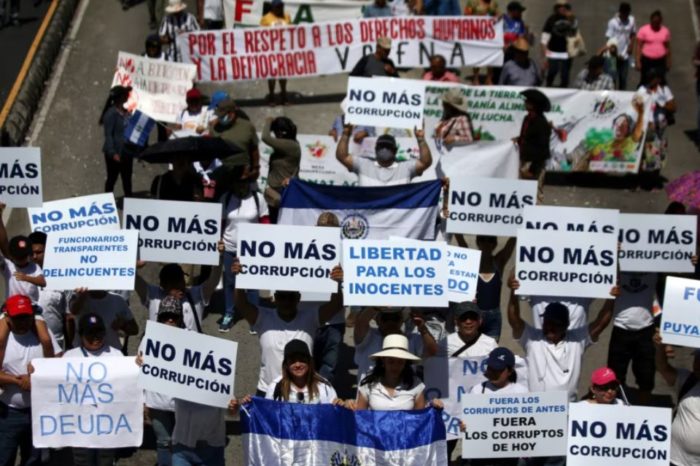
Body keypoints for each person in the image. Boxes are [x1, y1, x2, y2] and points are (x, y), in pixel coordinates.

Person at [232, 262, 344, 396]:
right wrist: (239, 278)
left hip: (302, 391)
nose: (286, 302)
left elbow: (335, 305)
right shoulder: (262, 317)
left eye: (291, 297)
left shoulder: (310, 317)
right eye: (282, 297)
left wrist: (336, 283)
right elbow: (241, 304)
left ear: (298, 298)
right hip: (267, 389)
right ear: (275, 298)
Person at [507, 275, 615, 401]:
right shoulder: (532, 339)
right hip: (536, 409)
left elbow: (601, 323)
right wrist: (513, 292)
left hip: (568, 408)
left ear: (566, 325)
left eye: (555, 324)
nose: (549, 328)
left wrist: (612, 297)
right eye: (547, 323)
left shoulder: (577, 340)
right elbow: (514, 320)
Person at [0, 295, 61, 466]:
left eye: (26, 317)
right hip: (8, 413)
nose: (22, 322)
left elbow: (59, 362)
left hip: (38, 412)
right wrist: (17, 381)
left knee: (33, 459)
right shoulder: (2, 335)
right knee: (3, 458)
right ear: (8, 317)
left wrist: (37, 377)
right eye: (17, 318)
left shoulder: (42, 334)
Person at [63, 313, 121, 466]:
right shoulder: (69, 357)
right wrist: (36, 371)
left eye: (99, 332)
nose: (96, 337)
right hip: (80, 428)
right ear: (81, 334)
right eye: (90, 333)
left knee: (106, 462)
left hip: (107, 427)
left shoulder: (116, 355)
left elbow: (127, 387)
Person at [218, 165, 270, 332]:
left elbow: (265, 222)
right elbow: (220, 223)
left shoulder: (258, 199)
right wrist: (218, 241)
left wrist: (266, 244)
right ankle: (229, 313)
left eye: (245, 182)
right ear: (233, 183)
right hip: (229, 247)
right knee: (229, 282)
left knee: (252, 284)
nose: (242, 185)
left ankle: (254, 316)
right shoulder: (225, 199)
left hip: (251, 249)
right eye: (239, 182)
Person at [137, 296, 185, 466]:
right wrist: (143, 402)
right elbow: (141, 372)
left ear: (180, 318)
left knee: (183, 444)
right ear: (159, 318)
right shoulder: (148, 339)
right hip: (157, 403)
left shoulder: (192, 339)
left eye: (174, 316)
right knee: (164, 443)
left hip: (182, 404)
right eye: (166, 316)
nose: (170, 319)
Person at [606, 272, 658, 405]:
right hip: (621, 327)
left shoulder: (655, 266)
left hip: (646, 328)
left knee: (646, 378)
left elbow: (679, 261)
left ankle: (642, 414)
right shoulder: (616, 267)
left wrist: (692, 259)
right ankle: (615, 411)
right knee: (614, 378)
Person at [354, 307, 438, 383]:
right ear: (378, 320)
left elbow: (432, 351)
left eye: (395, 318)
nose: (390, 322)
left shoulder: (412, 339)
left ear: (402, 320)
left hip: (404, 394)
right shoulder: (369, 337)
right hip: (370, 393)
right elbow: (361, 322)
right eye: (385, 318)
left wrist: (422, 328)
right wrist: (376, 306)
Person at [455, 236, 516, 340]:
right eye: (483, 240)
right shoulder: (471, 262)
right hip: (473, 316)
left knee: (490, 352)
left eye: (490, 240)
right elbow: (462, 243)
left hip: (493, 318)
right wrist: (454, 225)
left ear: (495, 244)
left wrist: (521, 224)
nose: (487, 243)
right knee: (471, 350)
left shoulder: (498, 262)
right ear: (478, 242)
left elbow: (511, 243)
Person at [136, 261, 221, 333]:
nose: (181, 288)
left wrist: (219, 257)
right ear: (163, 286)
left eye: (182, 282)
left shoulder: (195, 295)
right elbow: (134, 279)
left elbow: (213, 280)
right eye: (175, 286)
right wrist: (132, 264)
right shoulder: (153, 296)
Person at [336, 125, 431, 186]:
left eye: (388, 147)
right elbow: (342, 156)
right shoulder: (364, 164)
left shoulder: (405, 167)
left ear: (395, 150)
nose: (384, 149)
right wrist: (345, 134)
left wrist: (421, 139)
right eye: (381, 146)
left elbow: (425, 162)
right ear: (375, 149)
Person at [654, 339, 700, 466]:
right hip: (675, 459)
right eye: (696, 359)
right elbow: (662, 368)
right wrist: (660, 348)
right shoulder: (688, 380)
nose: (696, 364)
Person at [351, 334, 427, 411]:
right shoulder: (369, 384)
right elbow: (360, 416)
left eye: (400, 362)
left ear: (405, 363)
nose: (395, 366)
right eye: (391, 361)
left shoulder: (416, 384)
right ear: (383, 361)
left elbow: (420, 418)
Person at [312, 212, 346, 384]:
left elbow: (355, 289)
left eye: (330, 229)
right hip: (309, 318)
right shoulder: (305, 248)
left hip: (335, 322)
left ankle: (323, 402)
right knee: (306, 364)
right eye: (322, 229)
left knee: (328, 368)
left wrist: (343, 279)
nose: (325, 233)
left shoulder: (346, 252)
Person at [27, 232, 67, 349]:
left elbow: (68, 316)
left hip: (56, 343)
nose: (34, 257)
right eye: (31, 253)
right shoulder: (19, 275)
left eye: (39, 252)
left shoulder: (63, 276)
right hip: (28, 343)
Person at [266, 339, 340, 404]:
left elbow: (334, 414)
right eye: (292, 360)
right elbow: (266, 415)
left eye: (302, 359)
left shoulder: (324, 387)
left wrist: (345, 405)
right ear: (286, 364)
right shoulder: (275, 388)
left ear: (309, 361)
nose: (298, 364)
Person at [637, 69, 675, 191]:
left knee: (658, 153)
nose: (651, 81)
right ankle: (643, 181)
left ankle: (654, 180)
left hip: (660, 126)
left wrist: (662, 104)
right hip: (646, 126)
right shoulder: (642, 90)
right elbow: (635, 106)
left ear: (658, 79)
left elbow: (673, 106)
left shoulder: (664, 90)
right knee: (645, 155)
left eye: (654, 78)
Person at [68, 289, 138, 352]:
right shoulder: (76, 298)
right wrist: (82, 296)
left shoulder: (118, 300)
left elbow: (134, 330)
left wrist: (123, 325)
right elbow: (73, 311)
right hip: (82, 355)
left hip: (111, 354)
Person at [210, 98, 261, 181]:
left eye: (222, 115)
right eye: (218, 115)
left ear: (231, 113)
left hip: (243, 172)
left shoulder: (247, 126)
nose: (220, 117)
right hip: (221, 172)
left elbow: (254, 149)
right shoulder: (213, 128)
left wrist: (256, 168)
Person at [261, 116, 300, 223]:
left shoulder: (290, 145)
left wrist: (268, 121)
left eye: (275, 131)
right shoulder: (291, 144)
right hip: (275, 194)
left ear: (280, 132)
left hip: (284, 193)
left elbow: (265, 137)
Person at [517, 89, 551, 203]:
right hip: (525, 160)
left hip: (534, 163)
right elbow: (527, 136)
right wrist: (518, 139)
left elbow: (542, 148)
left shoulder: (541, 123)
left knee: (535, 192)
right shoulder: (527, 119)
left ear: (534, 105)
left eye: (528, 101)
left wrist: (532, 169)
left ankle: (536, 215)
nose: (525, 103)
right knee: (522, 191)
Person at [99, 85, 133, 198]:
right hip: (115, 153)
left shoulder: (126, 112)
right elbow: (108, 135)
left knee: (127, 179)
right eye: (125, 94)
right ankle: (107, 200)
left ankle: (130, 202)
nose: (127, 96)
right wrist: (113, 153)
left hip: (126, 152)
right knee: (112, 178)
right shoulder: (111, 114)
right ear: (119, 98)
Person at [260, 0, 292, 105]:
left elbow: (291, 32)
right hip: (271, 52)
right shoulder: (266, 18)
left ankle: (284, 95)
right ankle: (272, 96)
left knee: (283, 76)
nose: (280, 8)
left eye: (281, 6)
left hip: (284, 51)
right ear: (273, 7)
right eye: (278, 6)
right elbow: (260, 35)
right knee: (272, 76)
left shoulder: (287, 16)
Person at [541, 0, 578, 88]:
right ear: (556, 8)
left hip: (566, 52)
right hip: (553, 51)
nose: (562, 8)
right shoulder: (551, 19)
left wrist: (571, 18)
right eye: (560, 7)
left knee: (565, 75)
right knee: (552, 72)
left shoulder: (571, 18)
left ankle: (563, 92)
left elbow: (575, 33)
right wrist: (545, 54)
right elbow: (544, 37)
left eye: (565, 7)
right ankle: (549, 88)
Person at [464, 0, 499, 85]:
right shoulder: (472, 2)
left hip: (490, 33)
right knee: (477, 54)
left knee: (491, 54)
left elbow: (497, 14)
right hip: (477, 32)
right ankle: (476, 77)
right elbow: (466, 15)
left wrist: (497, 17)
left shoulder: (493, 3)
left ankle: (489, 77)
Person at [605, 2, 636, 90]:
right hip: (613, 56)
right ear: (620, 12)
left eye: (627, 13)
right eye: (624, 13)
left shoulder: (631, 20)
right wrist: (615, 53)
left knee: (623, 78)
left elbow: (633, 34)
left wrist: (631, 46)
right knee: (612, 78)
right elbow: (608, 38)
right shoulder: (613, 22)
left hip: (625, 55)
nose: (626, 16)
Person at [635, 10, 671, 86]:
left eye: (657, 22)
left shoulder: (665, 31)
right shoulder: (643, 30)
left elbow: (667, 48)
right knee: (644, 80)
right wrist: (638, 61)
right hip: (647, 60)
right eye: (654, 22)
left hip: (660, 61)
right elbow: (638, 46)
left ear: (660, 21)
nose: (655, 24)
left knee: (661, 80)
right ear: (651, 20)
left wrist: (668, 61)